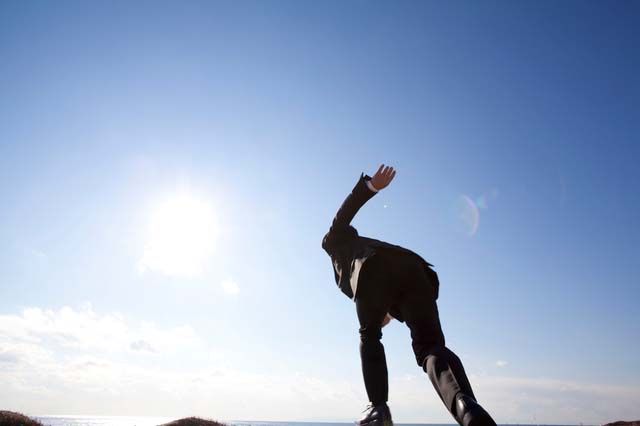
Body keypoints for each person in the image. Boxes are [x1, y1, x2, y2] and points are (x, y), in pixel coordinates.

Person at [321, 164, 497, 426]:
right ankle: (468, 410)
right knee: (430, 348)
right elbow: (388, 296)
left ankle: (378, 409)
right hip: (416, 270)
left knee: (369, 335)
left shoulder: (337, 243)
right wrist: (386, 311)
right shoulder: (372, 249)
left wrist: (371, 186)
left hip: (375, 268)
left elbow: (343, 213)